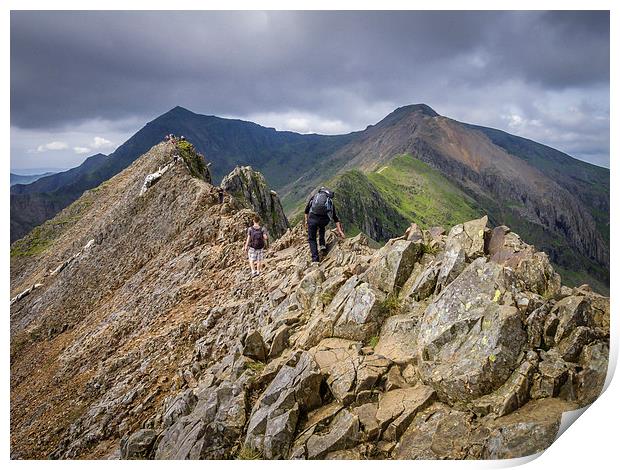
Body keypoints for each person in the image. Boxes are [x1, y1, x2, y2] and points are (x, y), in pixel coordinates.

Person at [304, 187, 345, 263]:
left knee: (312, 239)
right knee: (321, 226)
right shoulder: (329, 202)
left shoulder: (314, 197)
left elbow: (306, 211)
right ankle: (322, 244)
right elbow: (335, 218)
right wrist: (340, 231)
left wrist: (306, 221)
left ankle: (315, 259)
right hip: (324, 221)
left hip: (312, 219)